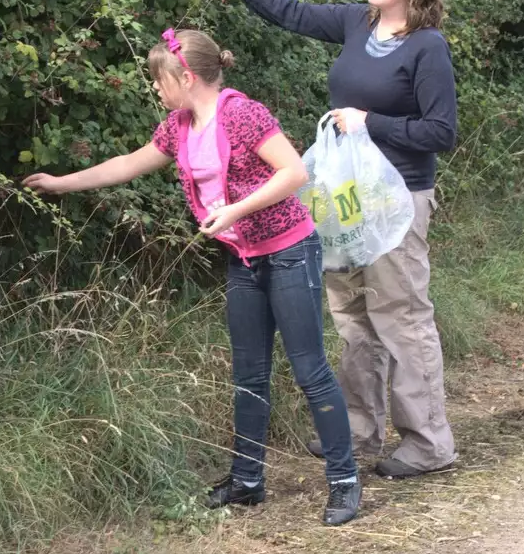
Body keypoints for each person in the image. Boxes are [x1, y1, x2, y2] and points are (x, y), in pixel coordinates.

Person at [23, 29, 362, 526]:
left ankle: (345, 481)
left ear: (187, 76)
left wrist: (235, 212)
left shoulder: (242, 113)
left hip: (289, 251)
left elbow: (293, 173)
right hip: (243, 258)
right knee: (248, 375)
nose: (156, 89)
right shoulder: (178, 126)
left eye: (160, 79)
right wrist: (60, 183)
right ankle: (247, 481)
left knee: (309, 369)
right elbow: (128, 164)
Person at [187, 0, 458, 479]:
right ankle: (359, 428)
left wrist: (370, 122)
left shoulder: (428, 47)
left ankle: (428, 442)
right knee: (353, 315)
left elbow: (441, 131)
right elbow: (291, 12)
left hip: (397, 197)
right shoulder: (357, 23)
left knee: (400, 314)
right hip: (348, 196)